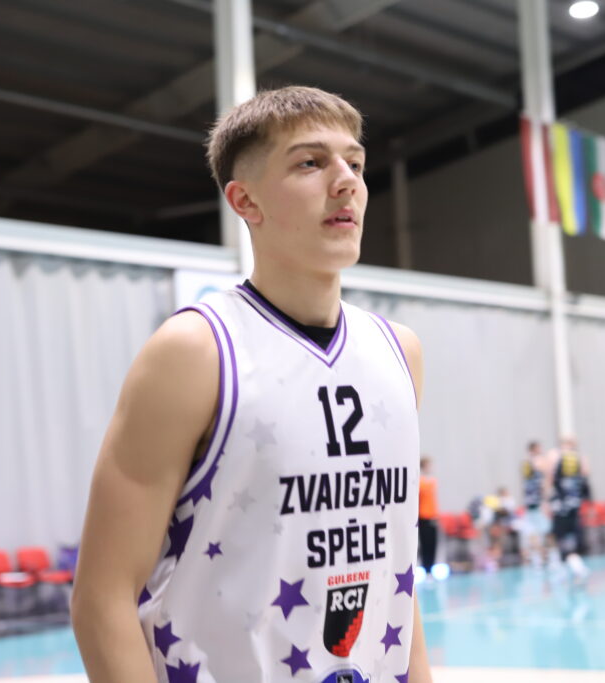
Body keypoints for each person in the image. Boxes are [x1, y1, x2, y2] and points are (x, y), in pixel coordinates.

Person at [71, 86, 432, 683]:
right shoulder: (196, 351)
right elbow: (101, 597)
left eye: (356, 163)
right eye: (311, 162)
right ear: (245, 200)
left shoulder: (401, 352)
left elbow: (395, 573)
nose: (346, 181)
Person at [545, 436, 591, 583]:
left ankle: (571, 568)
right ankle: (571, 567)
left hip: (560, 505)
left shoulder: (554, 455)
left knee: (560, 538)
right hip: (574, 504)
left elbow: (549, 478)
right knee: (571, 538)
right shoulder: (580, 458)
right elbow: (585, 477)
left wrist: (546, 501)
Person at [518, 440, 551, 567]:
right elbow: (546, 476)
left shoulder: (526, 463)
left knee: (533, 531)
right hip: (536, 502)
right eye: (539, 448)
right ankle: (542, 554)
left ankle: (536, 555)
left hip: (530, 501)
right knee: (543, 530)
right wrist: (545, 498)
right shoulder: (537, 461)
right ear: (534, 449)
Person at [418, 456, 439, 577]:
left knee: (433, 544)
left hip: (432, 516)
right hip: (423, 517)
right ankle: (426, 569)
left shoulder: (433, 481)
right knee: (425, 544)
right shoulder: (420, 481)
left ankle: (431, 569)